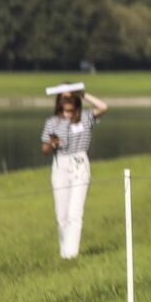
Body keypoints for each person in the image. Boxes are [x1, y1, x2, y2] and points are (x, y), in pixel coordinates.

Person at [40, 87, 109, 259]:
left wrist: (83, 93)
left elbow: (103, 107)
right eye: (64, 98)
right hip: (60, 163)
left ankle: (71, 254)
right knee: (61, 214)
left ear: (76, 99)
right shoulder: (52, 122)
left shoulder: (85, 117)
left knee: (75, 212)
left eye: (71, 98)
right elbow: (44, 148)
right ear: (59, 101)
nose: (67, 101)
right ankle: (64, 251)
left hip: (79, 162)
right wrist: (52, 143)